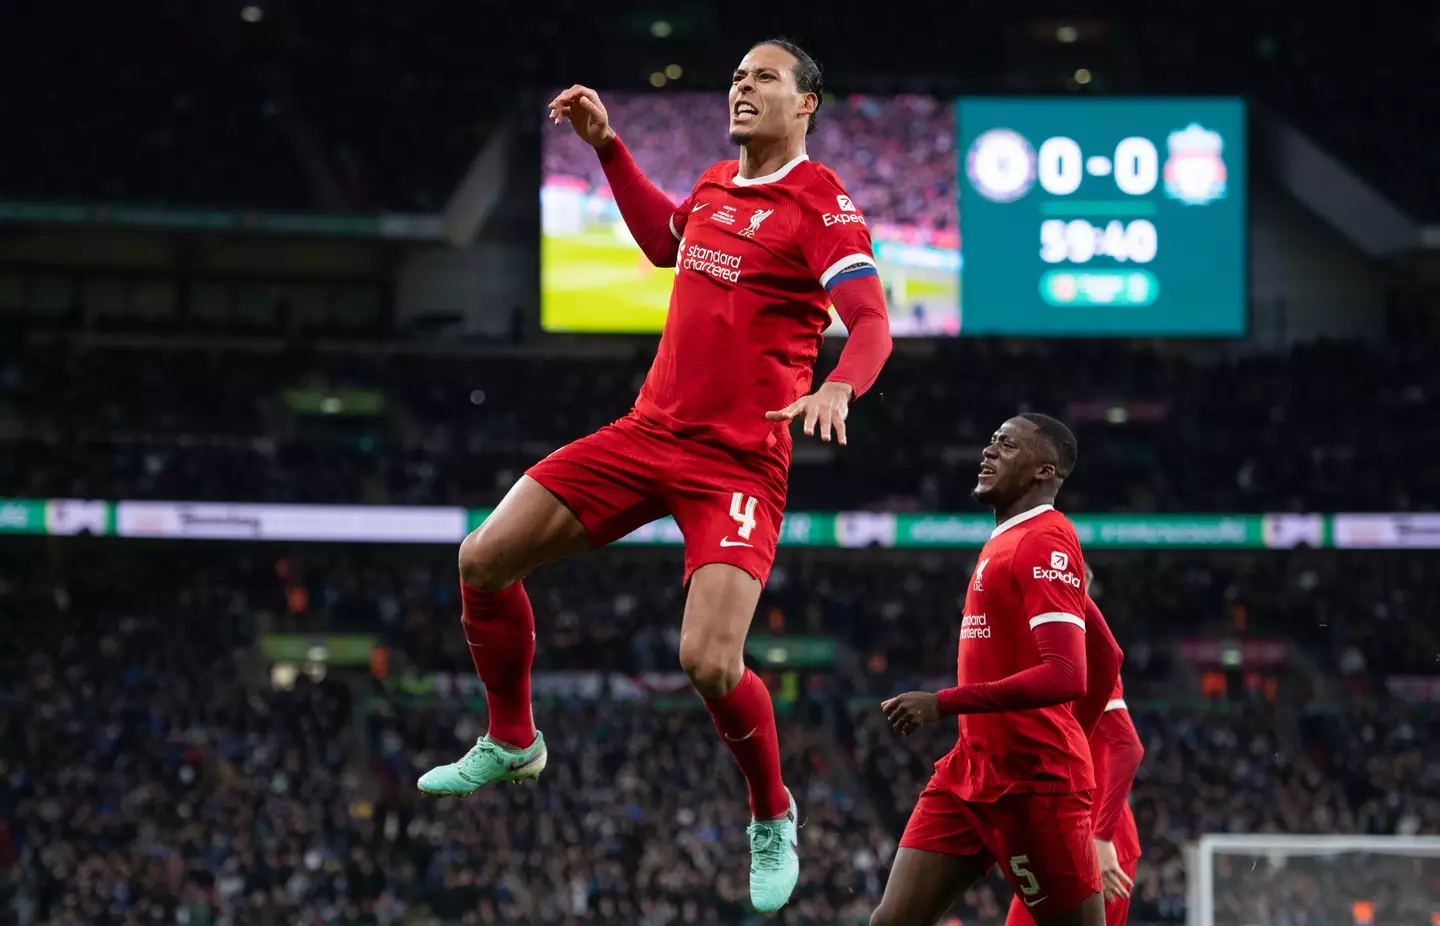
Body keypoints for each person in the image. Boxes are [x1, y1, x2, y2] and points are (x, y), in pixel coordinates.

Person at [417, 38, 893, 914]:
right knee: (482, 559)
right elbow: (661, 243)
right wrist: (607, 147)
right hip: (647, 434)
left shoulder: (821, 205)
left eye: (765, 78)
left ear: (807, 104)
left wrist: (839, 385)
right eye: (738, 75)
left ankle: (771, 811)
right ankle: (513, 738)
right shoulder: (714, 184)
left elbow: (870, 321)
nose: (743, 87)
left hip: (738, 464)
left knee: (708, 662)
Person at [875, 413, 1109, 926]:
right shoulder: (1008, 537)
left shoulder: (1044, 541)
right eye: (991, 440)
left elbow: (1068, 673)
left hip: (1031, 786)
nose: (988, 450)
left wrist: (943, 703)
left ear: (1044, 471)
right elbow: (1108, 656)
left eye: (1006, 444)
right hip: (969, 772)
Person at [1006, 568, 1144, 926]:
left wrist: (1102, 837)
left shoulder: (1086, 656)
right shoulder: (1044, 655)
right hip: (1058, 837)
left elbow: (1129, 747)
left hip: (1099, 843)